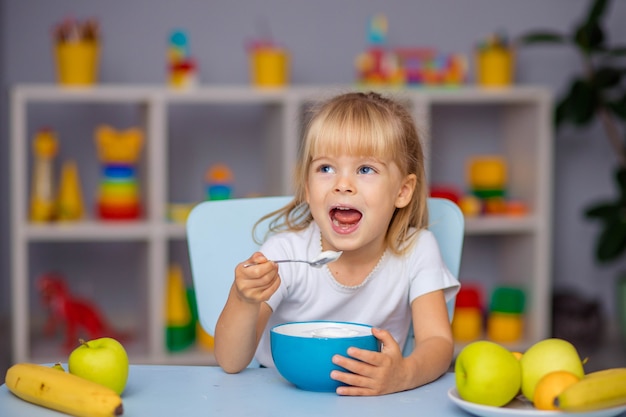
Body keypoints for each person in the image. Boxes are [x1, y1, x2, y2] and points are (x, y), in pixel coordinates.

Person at [214, 91, 460, 396]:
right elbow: (231, 362)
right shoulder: (284, 253)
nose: (342, 184)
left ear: (403, 191)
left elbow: (437, 343)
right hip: (281, 394)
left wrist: (404, 375)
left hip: (373, 400)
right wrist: (243, 300)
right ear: (307, 187)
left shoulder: (417, 249)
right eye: (326, 168)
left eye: (365, 169)